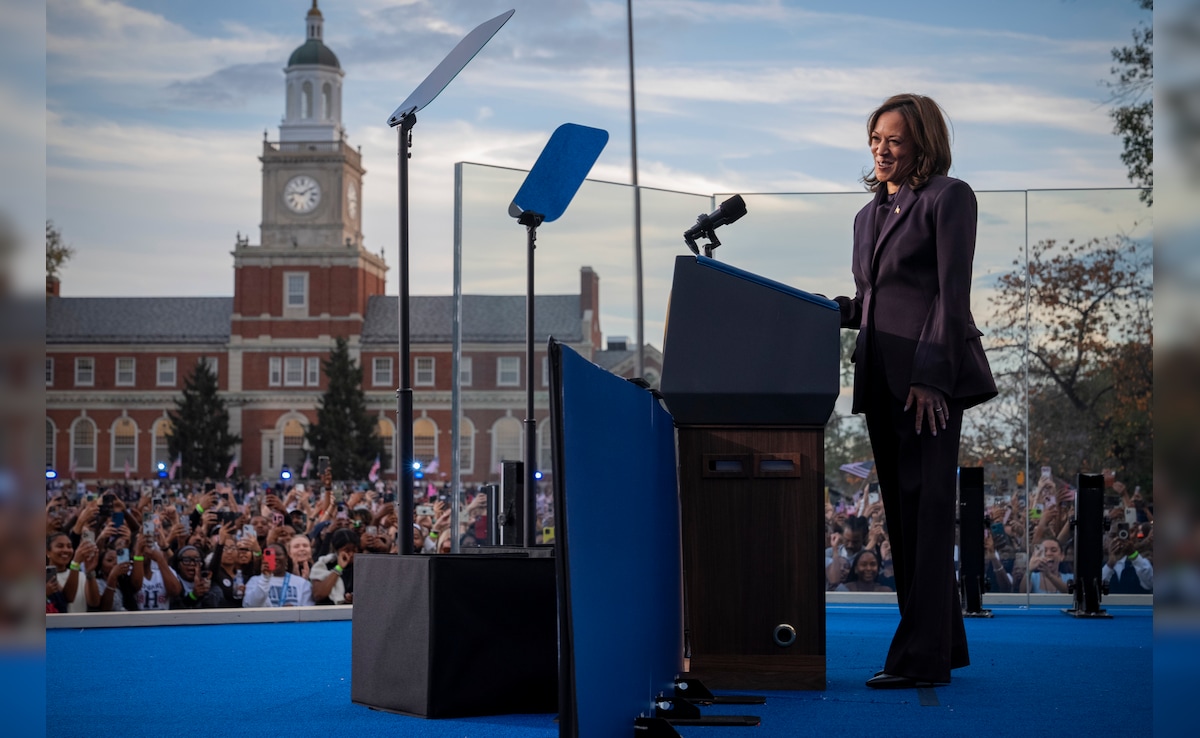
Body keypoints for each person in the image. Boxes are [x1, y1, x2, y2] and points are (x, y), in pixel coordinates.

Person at [833, 93, 996, 689]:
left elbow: (950, 297)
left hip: (927, 384)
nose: (881, 149)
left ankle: (921, 659)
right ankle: (943, 643)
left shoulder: (948, 197)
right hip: (879, 382)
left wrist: (931, 378)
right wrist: (827, 311)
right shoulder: (866, 216)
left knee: (927, 520)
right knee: (904, 524)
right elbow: (875, 299)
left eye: (894, 140)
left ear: (921, 144)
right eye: (875, 138)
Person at [242, 543, 315, 607]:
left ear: (286, 558)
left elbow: (309, 610)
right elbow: (251, 605)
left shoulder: (302, 583)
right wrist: (265, 578)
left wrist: (294, 611)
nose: (274, 558)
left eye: (278, 554)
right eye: (270, 554)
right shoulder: (254, 581)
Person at [311, 528, 359, 605]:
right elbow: (318, 594)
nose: (351, 554)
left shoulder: (361, 567)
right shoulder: (323, 565)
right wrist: (339, 568)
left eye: (354, 550)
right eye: (347, 551)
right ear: (336, 550)